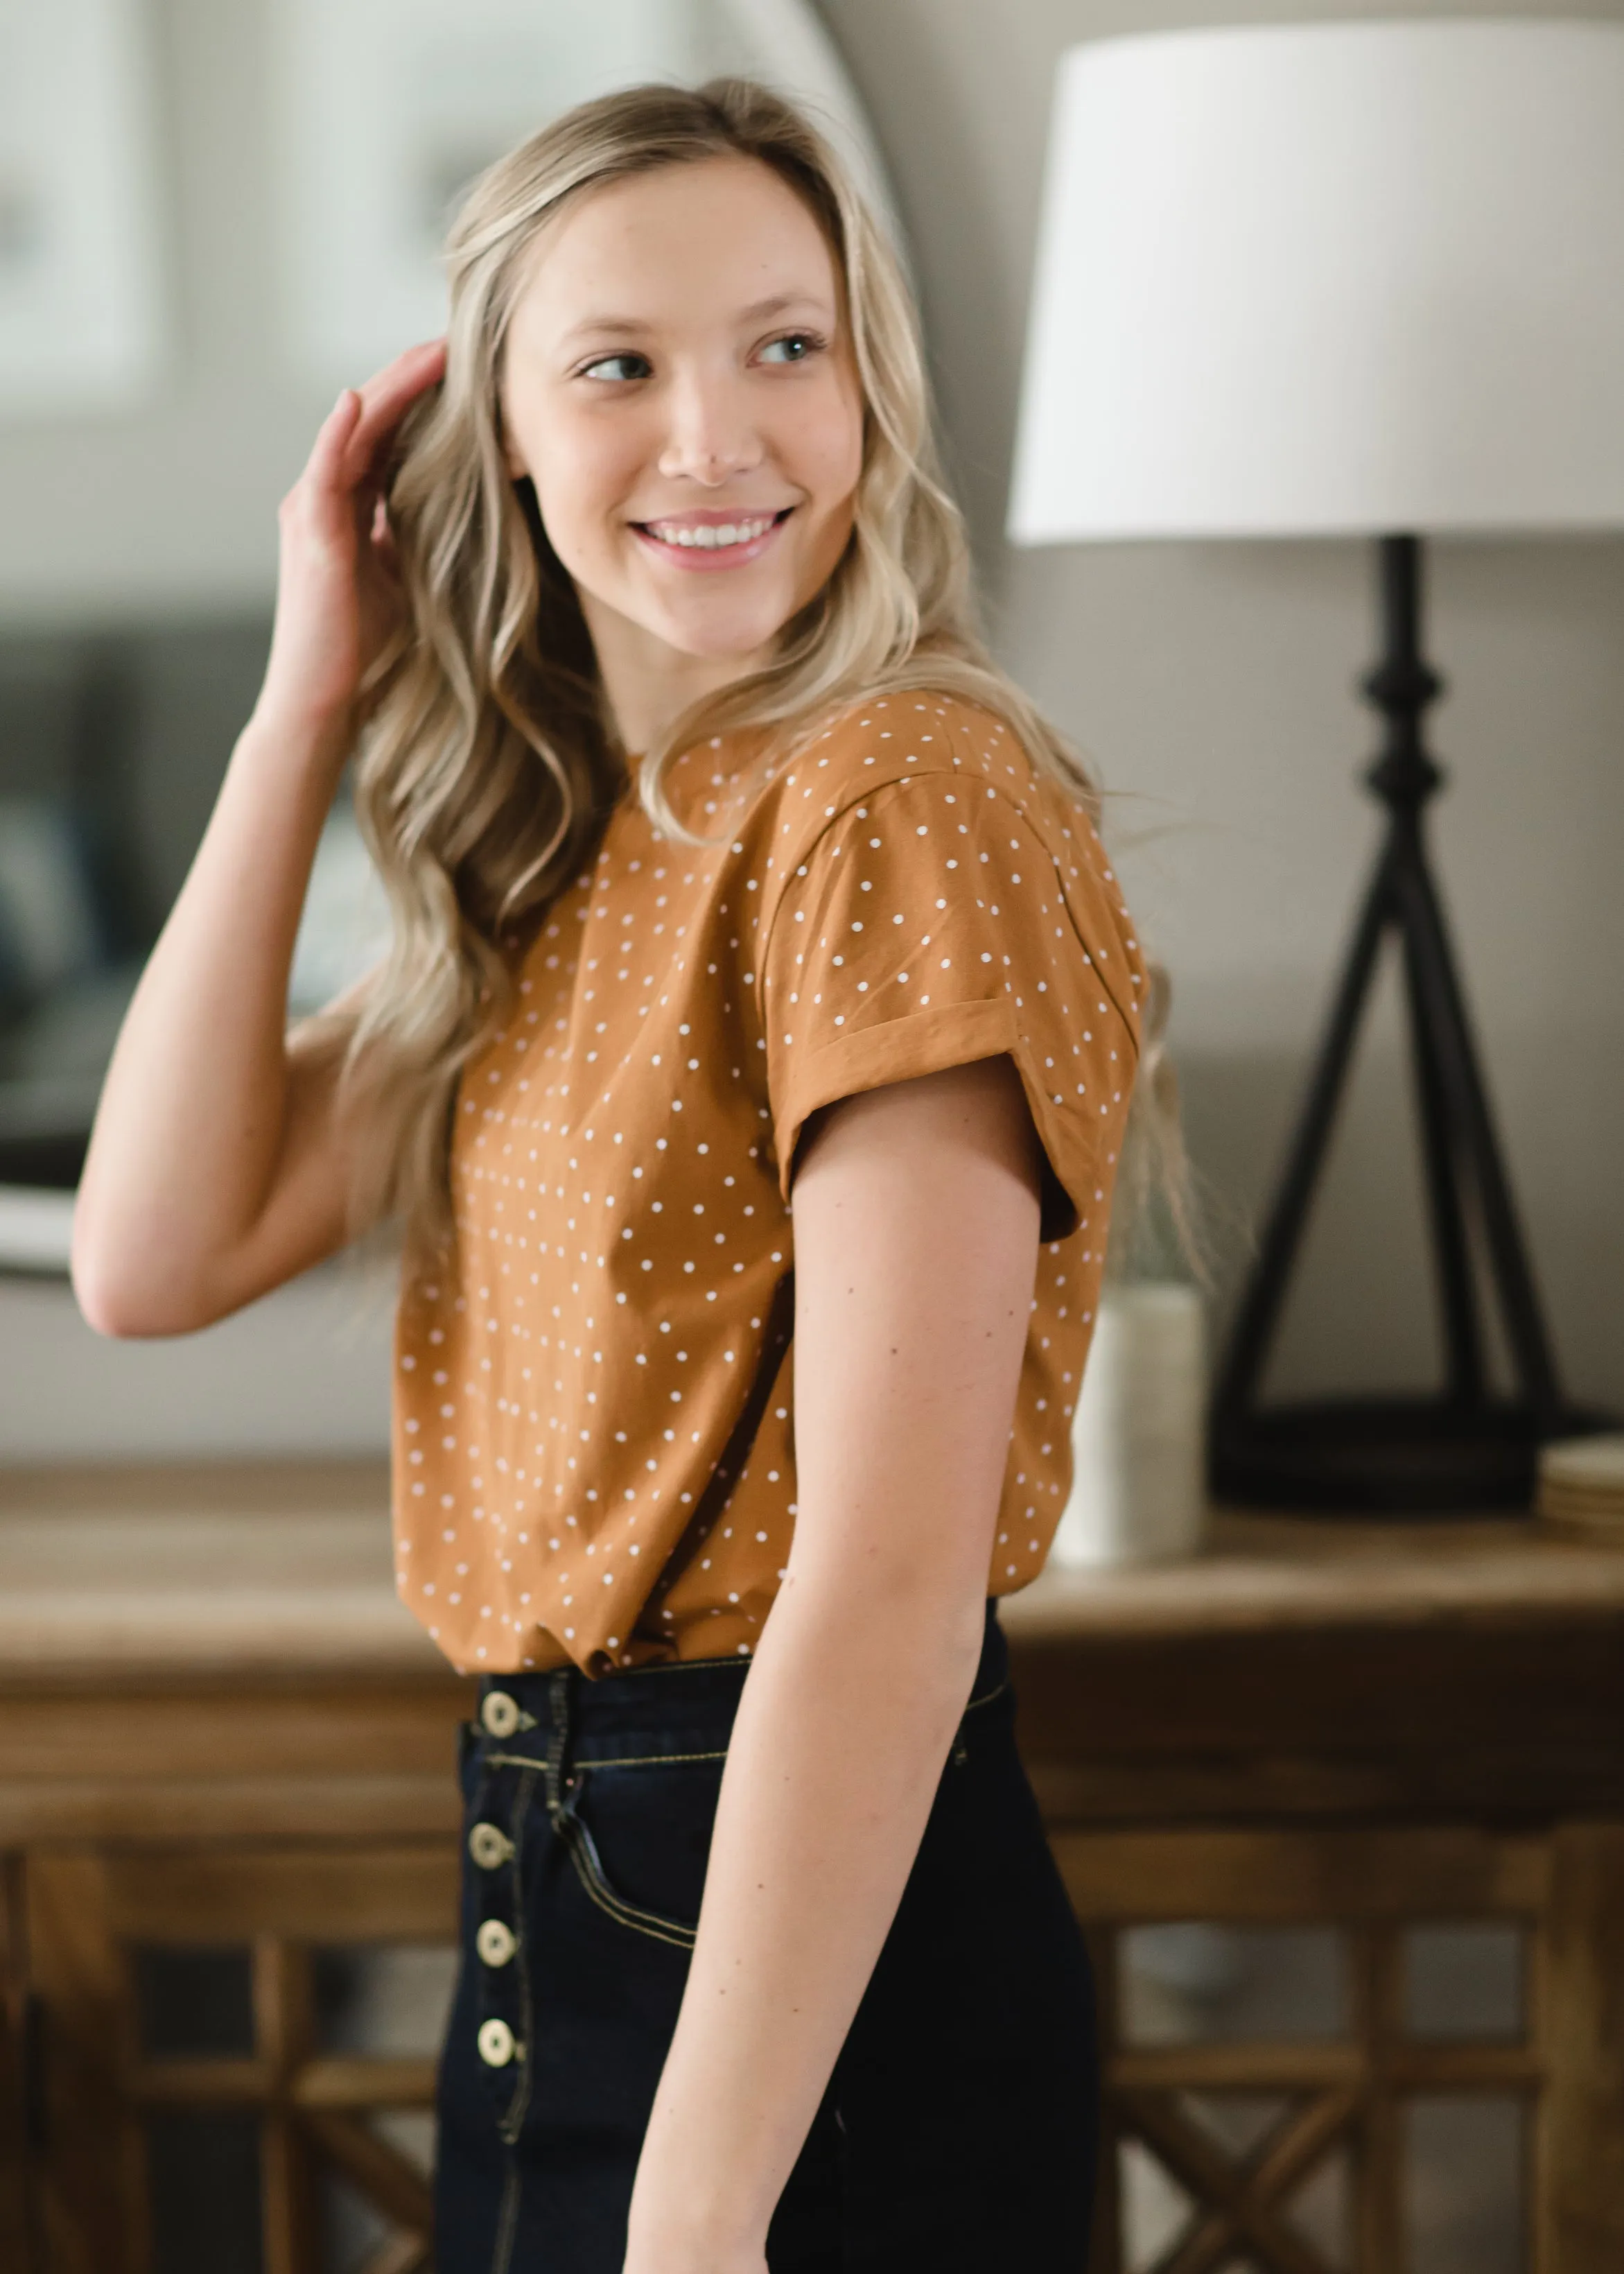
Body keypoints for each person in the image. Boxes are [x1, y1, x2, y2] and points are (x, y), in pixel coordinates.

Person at [72, 78, 1150, 2274]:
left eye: (785, 343)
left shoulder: (895, 796)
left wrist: (691, 2218)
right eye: (617, 368)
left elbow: (881, 1584)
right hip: (566, 1910)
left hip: (787, 1976)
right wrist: (305, 703)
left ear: (869, 385)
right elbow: (150, 1256)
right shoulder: (573, 853)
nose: (715, 438)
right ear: (503, 437)